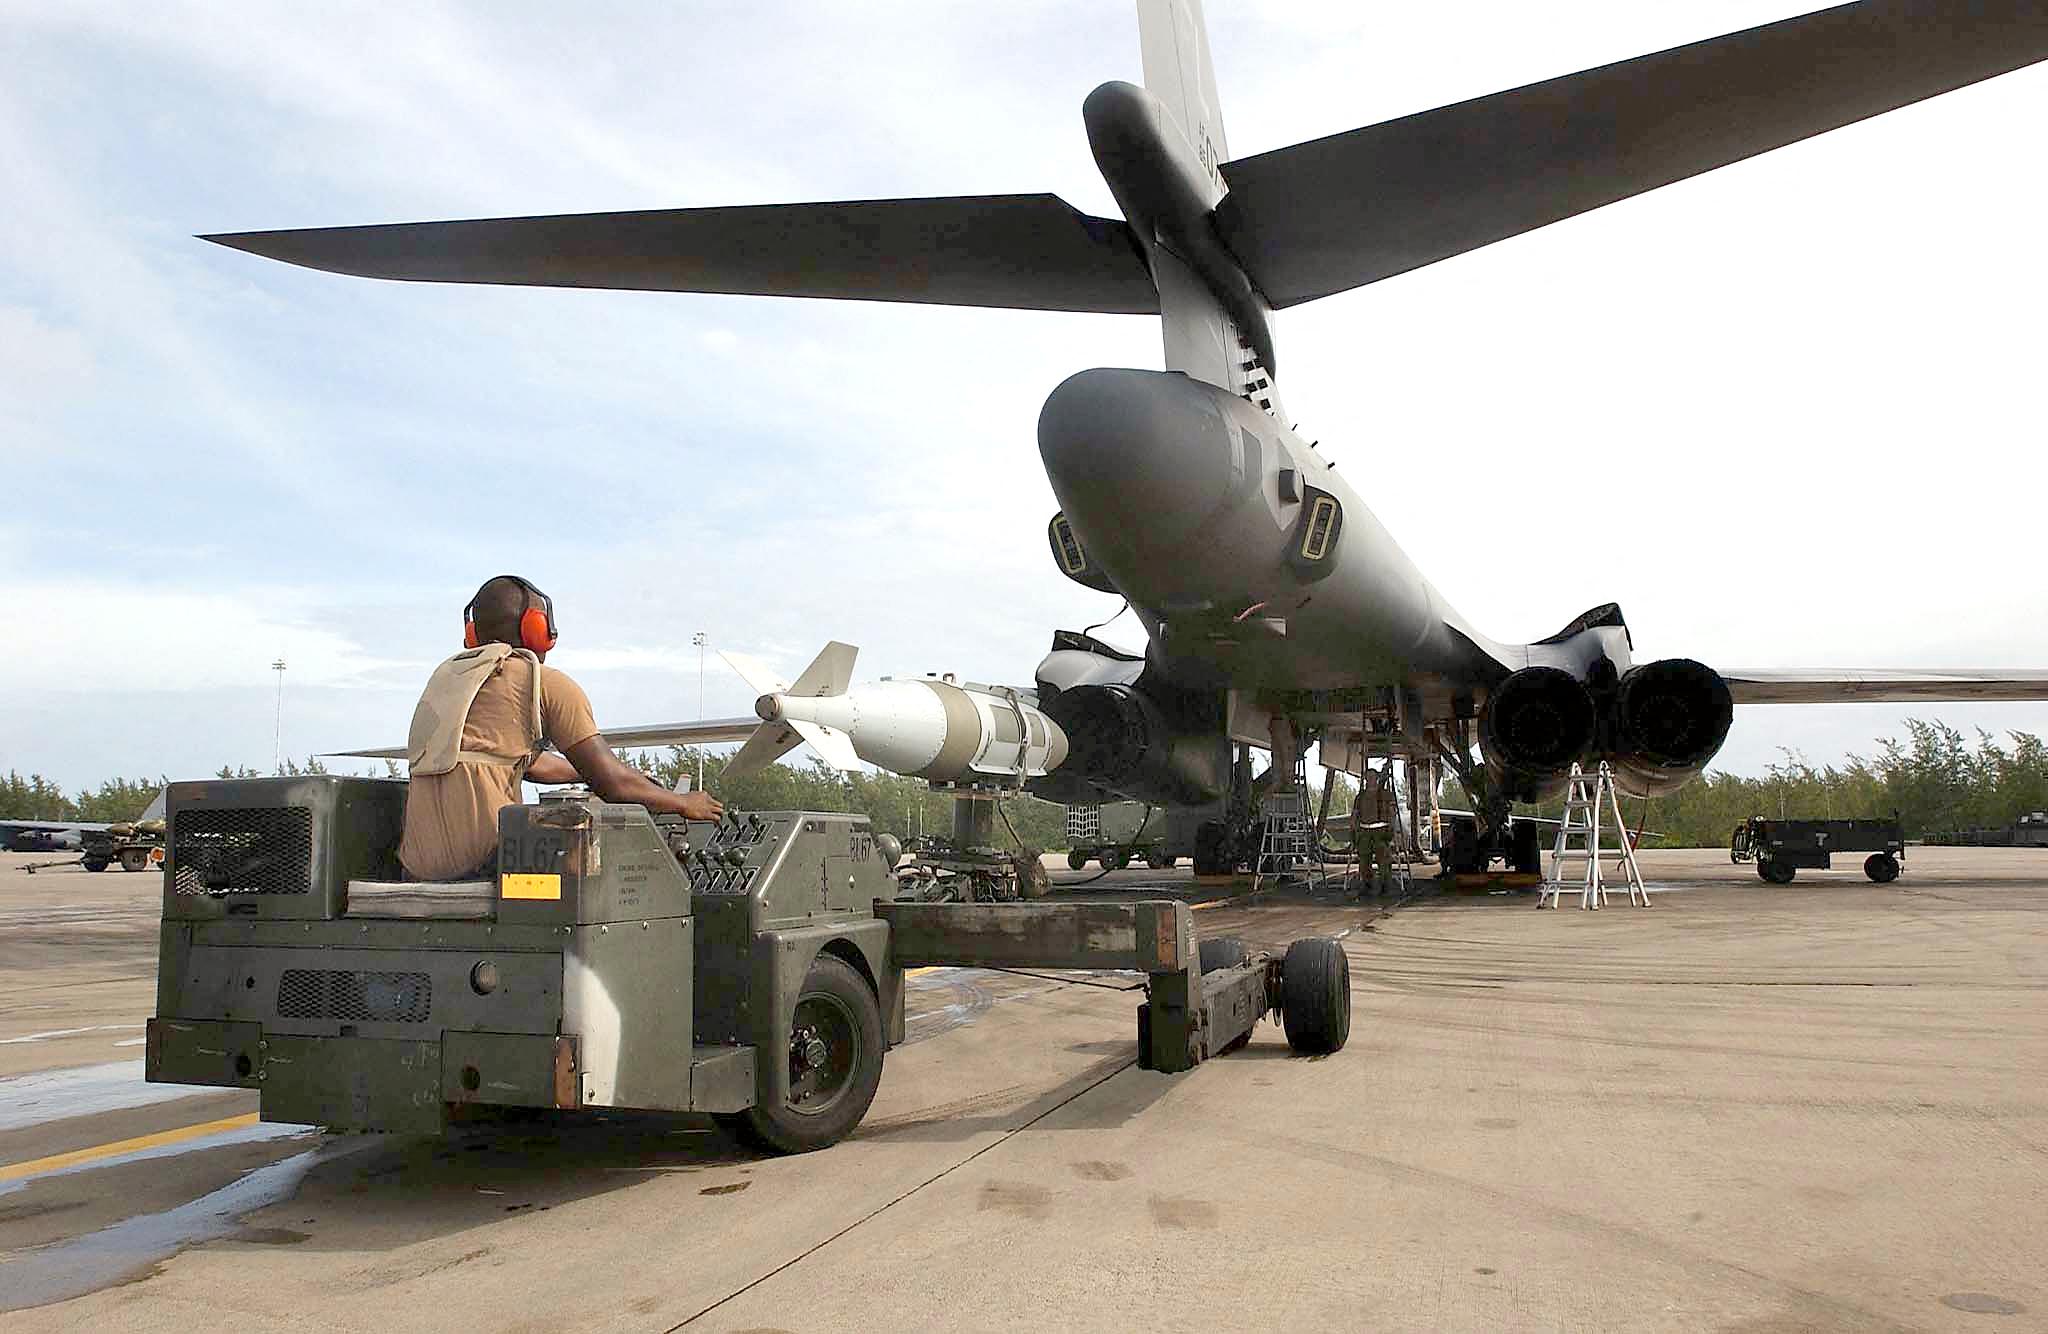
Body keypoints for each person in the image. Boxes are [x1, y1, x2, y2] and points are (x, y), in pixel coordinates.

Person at [398, 574, 722, 880]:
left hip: (416, 871)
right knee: (617, 866)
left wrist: (582, 772)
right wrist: (683, 803)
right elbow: (613, 786)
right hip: (487, 866)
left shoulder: (446, 687)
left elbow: (526, 764)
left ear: (473, 635)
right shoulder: (542, 683)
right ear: (536, 630)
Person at [1352, 765, 1398, 898]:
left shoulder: (1386, 795)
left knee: (1383, 860)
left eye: (1372, 777)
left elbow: (1392, 812)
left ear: (1377, 778)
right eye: (1368, 777)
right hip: (1364, 831)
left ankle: (1385, 886)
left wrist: (1391, 828)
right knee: (1364, 861)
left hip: (1381, 831)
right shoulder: (1360, 797)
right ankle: (1367, 885)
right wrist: (1353, 829)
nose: (1370, 780)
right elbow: (1355, 814)